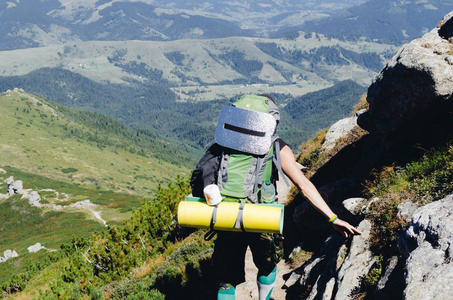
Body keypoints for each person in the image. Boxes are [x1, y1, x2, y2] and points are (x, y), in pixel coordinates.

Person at [210, 95, 361, 300]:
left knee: (225, 278)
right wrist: (332, 218)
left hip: (227, 214)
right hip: (262, 216)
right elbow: (303, 185)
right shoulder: (276, 146)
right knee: (268, 264)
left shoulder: (226, 141)